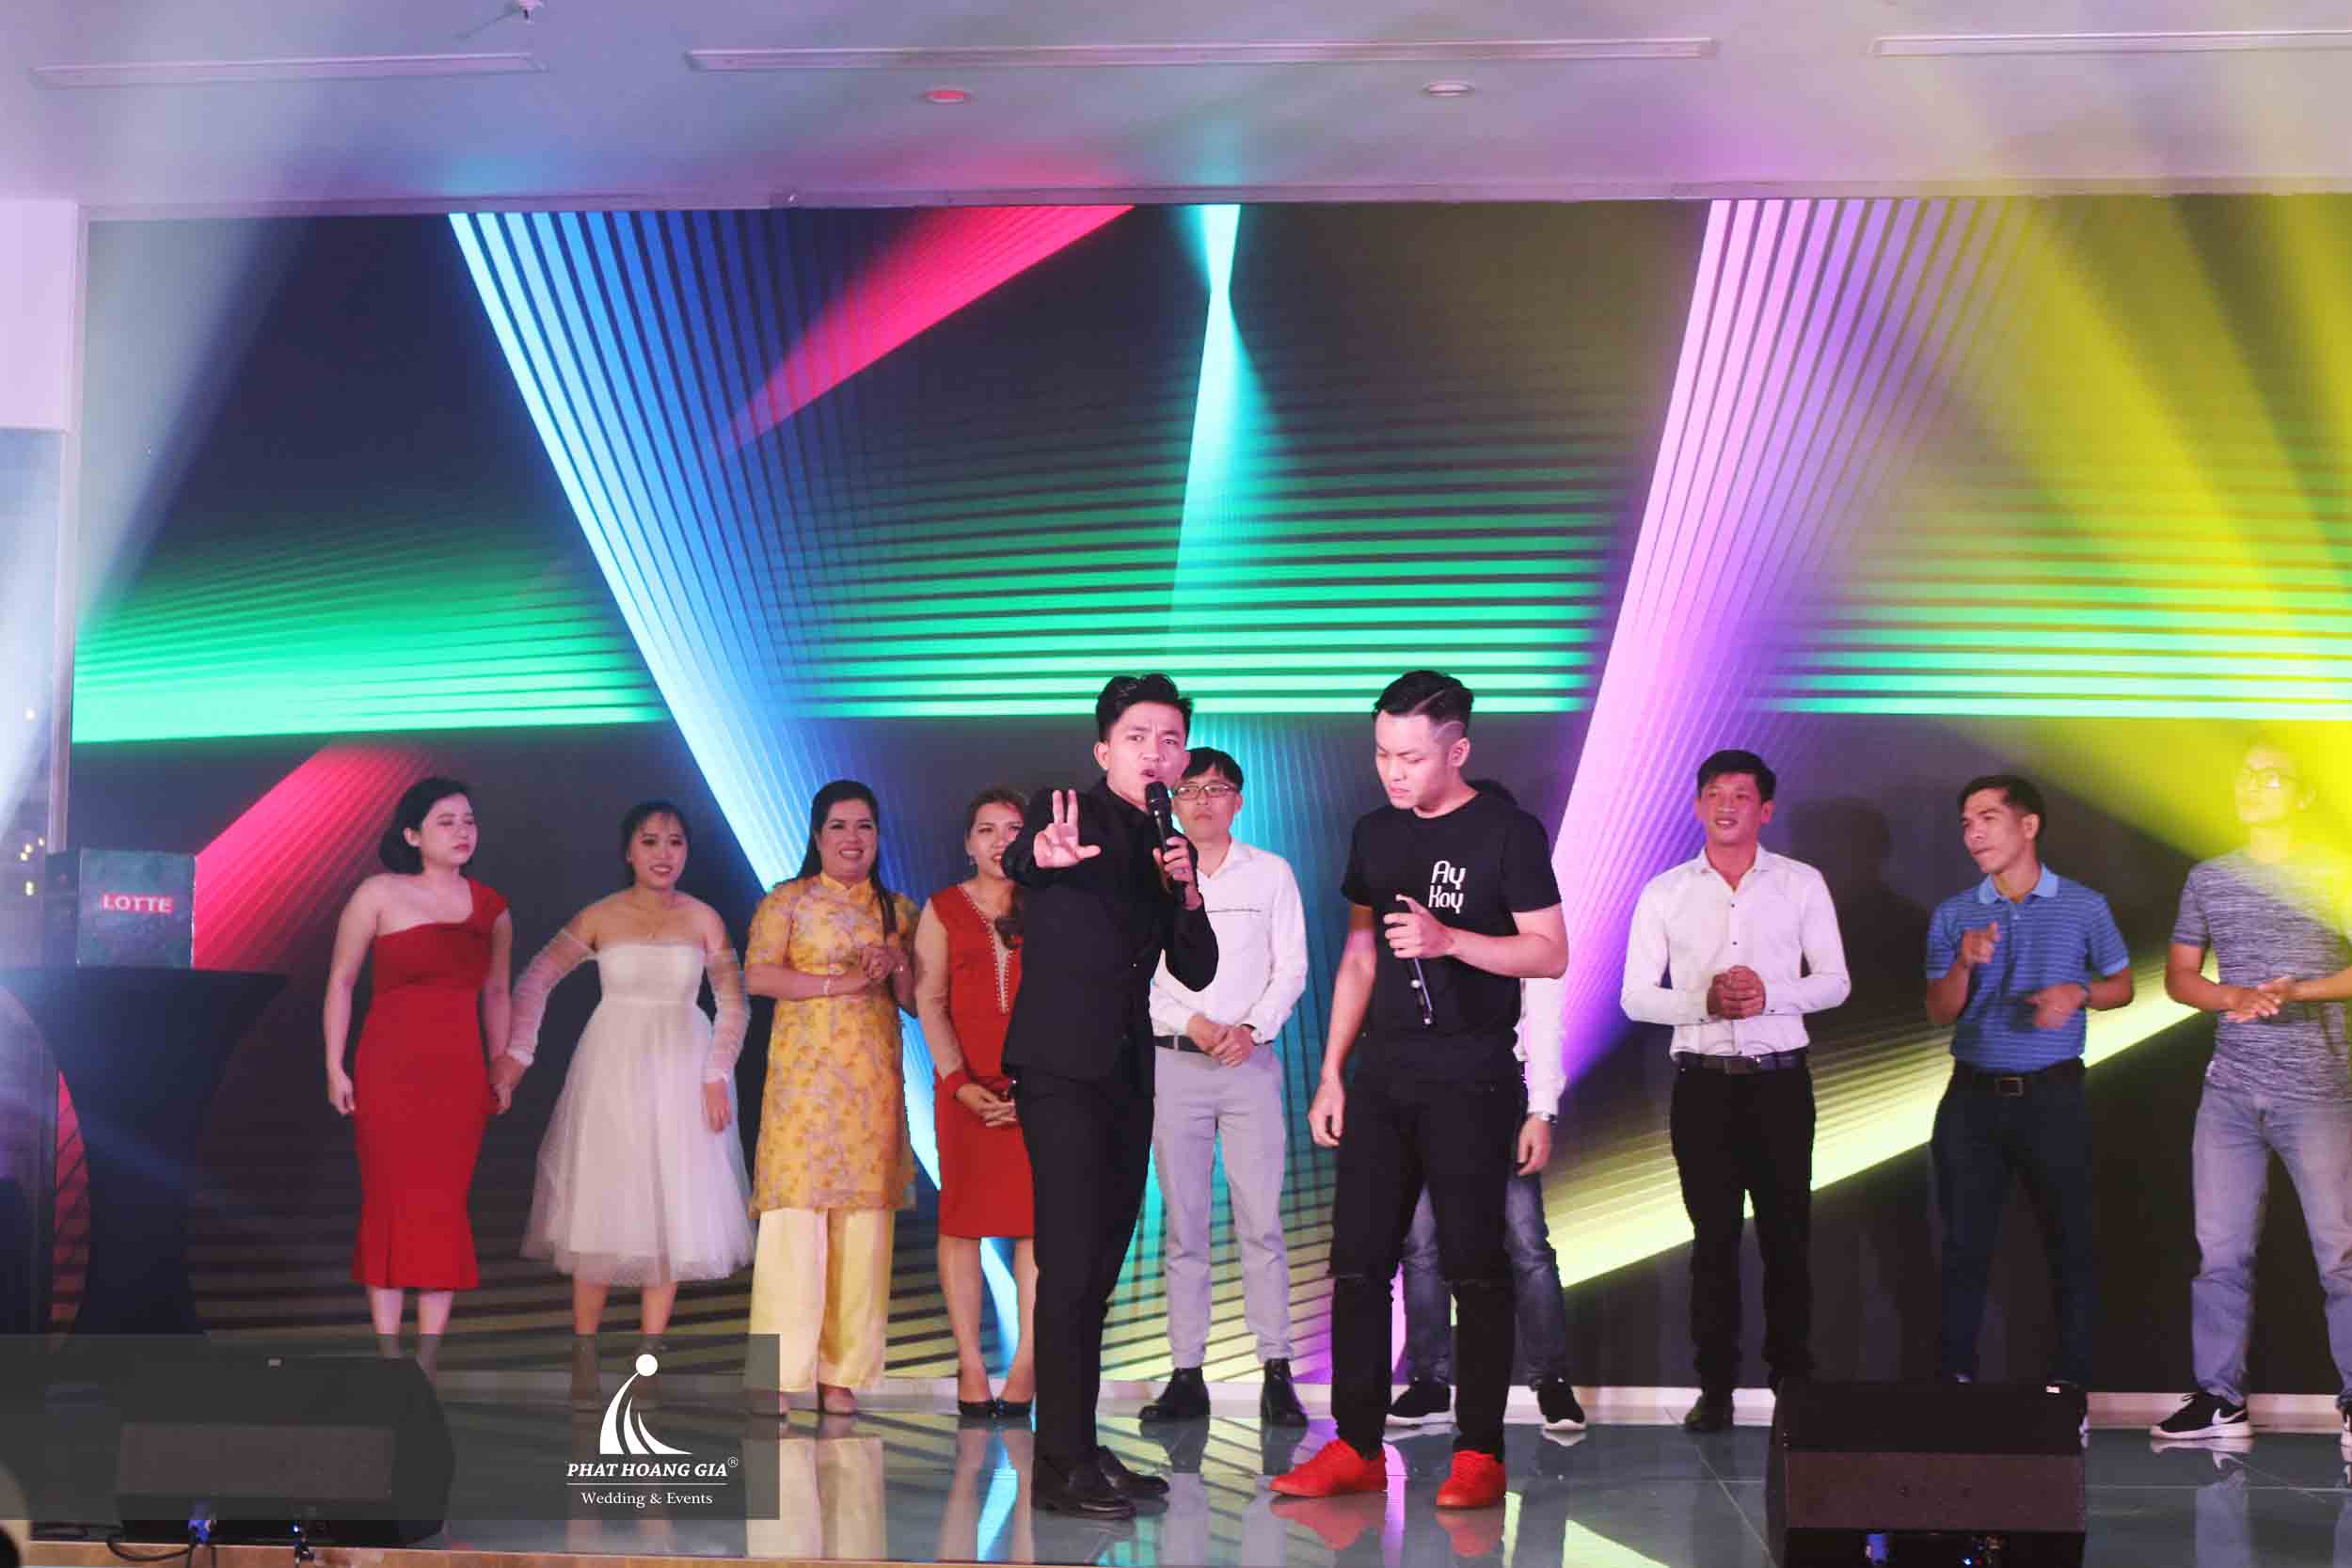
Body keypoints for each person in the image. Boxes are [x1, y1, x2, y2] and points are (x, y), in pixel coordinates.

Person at [1275, 671, 1567, 1512]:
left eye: (1410, 756)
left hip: (1472, 1075)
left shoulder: (1508, 831)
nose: (1393, 771)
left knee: (1477, 1265)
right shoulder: (1374, 832)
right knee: (1359, 1263)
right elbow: (1360, 955)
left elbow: (1550, 951)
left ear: (1458, 750)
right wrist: (1332, 1071)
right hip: (1383, 1074)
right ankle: (1356, 1445)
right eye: (1382, 754)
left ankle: (1479, 1451)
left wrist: (1451, 940)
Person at [999, 673, 1217, 1519]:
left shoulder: (1168, 842)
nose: (1155, 752)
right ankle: (1057, 1467)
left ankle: (1082, 1447)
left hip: (1128, 1071)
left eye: (1170, 740)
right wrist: (1040, 857)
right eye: (1137, 737)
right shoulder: (1070, 815)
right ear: (1104, 749)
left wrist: (1185, 887)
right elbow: (1027, 857)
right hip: (1061, 1067)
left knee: (1097, 1269)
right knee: (1068, 1264)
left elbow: (1196, 965)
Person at [492, 800, 755, 1407]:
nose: (664, 853)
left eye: (675, 841)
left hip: (683, 1069)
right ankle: (584, 1357)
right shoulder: (600, 915)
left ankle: (647, 1366)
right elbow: (536, 979)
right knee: (603, 1207)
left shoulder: (704, 918)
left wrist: (716, 1073)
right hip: (612, 1070)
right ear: (628, 850)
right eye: (650, 841)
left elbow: (733, 1002)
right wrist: (520, 1052)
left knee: (671, 1214)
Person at [1620, 749, 1849, 1433]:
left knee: (1787, 1238)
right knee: (1712, 1243)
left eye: (1741, 795)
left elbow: (1835, 981)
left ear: (1765, 810)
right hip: (1703, 1089)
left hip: (1780, 1084)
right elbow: (1635, 996)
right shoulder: (1665, 891)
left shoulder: (1802, 883)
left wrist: (1767, 995)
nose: (1726, 805)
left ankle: (1792, 1385)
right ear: (1697, 806)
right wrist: (1705, 1002)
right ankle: (1714, 1388)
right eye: (1715, 794)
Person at [2154, 738, 2352, 1444]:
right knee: (2220, 1253)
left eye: (2271, 777)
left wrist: (2297, 990)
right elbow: (2180, 975)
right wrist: (2230, 994)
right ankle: (2220, 1398)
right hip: (2231, 1092)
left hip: (2318, 1090)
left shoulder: (2335, 871)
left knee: (2340, 1254)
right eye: (2245, 774)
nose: (2253, 785)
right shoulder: (2210, 876)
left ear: (2301, 794)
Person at [1923, 775, 2131, 1396]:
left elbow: (2123, 985)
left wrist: (2079, 993)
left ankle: (2069, 1390)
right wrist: (1963, 962)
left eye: (1988, 818)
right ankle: (1955, 1382)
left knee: (2071, 1245)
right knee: (1963, 1246)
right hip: (1972, 1100)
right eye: (1966, 823)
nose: (1974, 833)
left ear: (2029, 825)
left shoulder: (2085, 905)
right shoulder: (1955, 913)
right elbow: (1938, 1010)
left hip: (2052, 1097)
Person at [1389, 783, 1581, 1434]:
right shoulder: (1418, 911)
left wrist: (1541, 1110)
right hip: (1421, 1093)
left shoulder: (1527, 922)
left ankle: (1551, 1381)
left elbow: (1545, 1017)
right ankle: (1428, 1379)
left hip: (1501, 1095)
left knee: (1525, 1242)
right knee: (1421, 1243)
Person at [1136, 747, 1311, 1427]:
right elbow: (1140, 976)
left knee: (1261, 1222)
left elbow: (1291, 967)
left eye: (1217, 789)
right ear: (1171, 803)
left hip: (1250, 1063)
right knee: (1185, 1226)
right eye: (1189, 789)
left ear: (1239, 799)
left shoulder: (1271, 873)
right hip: (1175, 1061)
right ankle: (1186, 1373)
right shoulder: (1147, 875)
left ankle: (1276, 1369)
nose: (1203, 801)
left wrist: (1251, 1028)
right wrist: (1196, 1023)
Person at [323, 776, 512, 1375]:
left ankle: (426, 1362)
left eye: (469, 820)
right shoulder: (378, 893)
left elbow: (498, 993)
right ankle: (388, 1357)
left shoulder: (492, 907)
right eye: (446, 822)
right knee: (387, 1202)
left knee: (443, 1208)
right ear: (412, 834)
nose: (462, 831)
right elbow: (341, 983)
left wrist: (502, 1066)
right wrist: (334, 1065)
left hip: (459, 1075)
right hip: (388, 1071)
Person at [742, 781, 919, 1418]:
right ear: (816, 835)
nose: (852, 838)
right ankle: (776, 1377)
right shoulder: (786, 900)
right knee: (793, 1232)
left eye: (864, 826)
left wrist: (896, 961)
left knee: (862, 1235)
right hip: (803, 1093)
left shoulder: (898, 910)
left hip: (871, 1092)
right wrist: (836, 983)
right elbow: (758, 974)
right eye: (839, 826)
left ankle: (839, 1377)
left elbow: (917, 1002)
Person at [913, 786, 1040, 1422]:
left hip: (1038, 1092)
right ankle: (970, 1364)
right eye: (986, 830)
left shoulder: (1050, 905)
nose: (999, 841)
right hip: (963, 1091)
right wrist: (959, 1082)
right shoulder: (941, 909)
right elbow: (930, 1001)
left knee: (1038, 1227)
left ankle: (1025, 1368)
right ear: (968, 843)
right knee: (961, 1224)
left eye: (1013, 829)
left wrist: (1035, 1089)